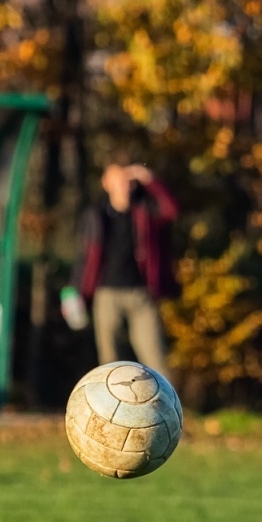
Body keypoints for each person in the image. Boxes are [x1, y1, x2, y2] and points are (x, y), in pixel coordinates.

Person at [70, 159, 178, 374]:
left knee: (155, 357)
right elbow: (85, 257)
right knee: (110, 362)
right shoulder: (95, 215)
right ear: (106, 183)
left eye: (127, 180)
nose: (123, 185)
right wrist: (75, 291)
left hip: (141, 294)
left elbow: (171, 210)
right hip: (107, 294)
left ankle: (167, 406)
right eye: (117, 180)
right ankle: (110, 408)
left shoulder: (145, 211)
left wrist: (148, 178)